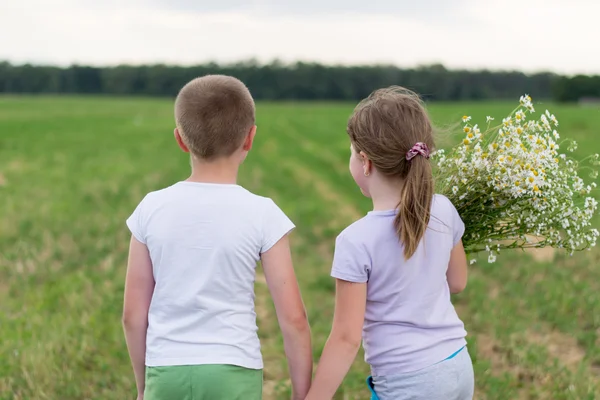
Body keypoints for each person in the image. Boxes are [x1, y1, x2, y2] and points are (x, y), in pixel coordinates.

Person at [122, 75, 312, 400]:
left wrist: (143, 387)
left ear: (180, 140)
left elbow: (132, 315)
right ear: (250, 138)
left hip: (166, 370)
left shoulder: (150, 208)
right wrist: (301, 393)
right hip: (234, 370)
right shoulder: (262, 213)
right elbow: (293, 319)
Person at [305, 86, 474, 400]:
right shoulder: (443, 209)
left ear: (365, 162)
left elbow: (345, 339)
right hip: (458, 366)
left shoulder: (356, 241)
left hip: (409, 382)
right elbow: (458, 282)